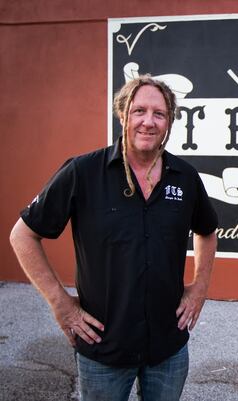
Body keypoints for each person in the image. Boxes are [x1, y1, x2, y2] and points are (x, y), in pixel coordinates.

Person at [9, 75, 218, 401]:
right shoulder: (82, 172)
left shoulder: (186, 178)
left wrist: (199, 288)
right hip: (103, 350)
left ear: (169, 122)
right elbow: (23, 235)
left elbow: (207, 231)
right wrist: (60, 304)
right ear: (123, 115)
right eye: (139, 111)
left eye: (159, 114)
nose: (148, 121)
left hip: (168, 349)